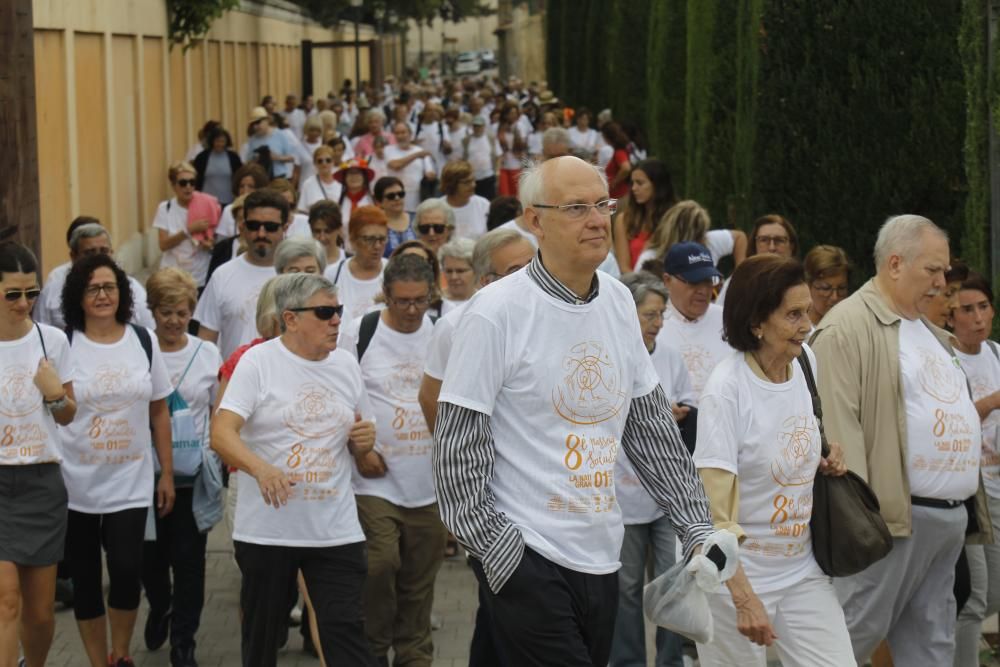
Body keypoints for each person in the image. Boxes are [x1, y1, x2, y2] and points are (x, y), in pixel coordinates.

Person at [432, 156, 717, 665]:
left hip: (600, 555)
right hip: (528, 556)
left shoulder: (615, 301)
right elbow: (456, 449)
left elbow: (649, 425)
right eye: (577, 207)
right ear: (535, 220)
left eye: (603, 204)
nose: (596, 219)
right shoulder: (495, 313)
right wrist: (502, 558)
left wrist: (696, 525)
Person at [810, 215, 991, 665]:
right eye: (932, 270)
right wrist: (863, 523)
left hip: (944, 520)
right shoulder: (846, 326)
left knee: (932, 644)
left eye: (943, 270)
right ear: (895, 263)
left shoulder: (931, 334)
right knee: (849, 641)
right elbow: (836, 430)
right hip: (890, 525)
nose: (942, 281)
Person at [691, 254, 853, 665]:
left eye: (807, 312)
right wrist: (743, 598)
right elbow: (713, 512)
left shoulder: (805, 363)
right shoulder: (726, 391)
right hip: (738, 576)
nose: (807, 325)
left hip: (803, 569)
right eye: (794, 314)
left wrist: (824, 454)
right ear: (756, 322)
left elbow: (797, 438)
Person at [211, 273, 378, 666]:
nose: (336, 320)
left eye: (337, 311)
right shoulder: (258, 361)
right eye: (324, 312)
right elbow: (221, 433)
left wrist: (363, 446)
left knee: (347, 635)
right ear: (290, 318)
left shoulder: (345, 365)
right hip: (269, 531)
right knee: (262, 639)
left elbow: (364, 453)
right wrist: (260, 468)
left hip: (334, 529)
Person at [59, 253, 175, 667]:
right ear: (78, 295)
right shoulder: (62, 343)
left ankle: (120, 654)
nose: (103, 295)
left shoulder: (143, 340)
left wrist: (165, 473)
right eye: (93, 288)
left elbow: (159, 409)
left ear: (123, 293)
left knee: (127, 570)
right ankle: (96, 660)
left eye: (110, 287)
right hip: (76, 483)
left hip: (131, 478)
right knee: (86, 579)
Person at [339, 254, 446, 667]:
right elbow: (339, 393)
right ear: (385, 295)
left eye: (420, 301)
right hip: (375, 479)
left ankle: (414, 655)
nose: (412, 310)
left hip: (429, 483)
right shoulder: (360, 333)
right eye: (402, 301)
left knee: (419, 581)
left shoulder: (442, 334)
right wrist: (360, 448)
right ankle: (371, 647)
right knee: (381, 564)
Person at [610, 273, 695, 667]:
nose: (657, 322)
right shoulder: (610, 354)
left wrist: (679, 414)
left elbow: (689, 406)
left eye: (661, 314)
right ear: (628, 313)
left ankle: (671, 661)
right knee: (625, 588)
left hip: (666, 497)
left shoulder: (671, 357)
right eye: (649, 314)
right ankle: (627, 661)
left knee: (674, 584)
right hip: (622, 494)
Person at [141, 268, 223, 667]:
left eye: (181, 312)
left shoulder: (206, 353)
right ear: (151, 311)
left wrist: (218, 457)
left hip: (193, 473)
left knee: (190, 562)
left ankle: (183, 641)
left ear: (191, 311)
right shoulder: (140, 350)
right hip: (146, 473)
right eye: (164, 312)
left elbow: (216, 408)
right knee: (149, 560)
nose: (173, 320)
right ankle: (160, 606)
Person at [0, 243, 77, 667]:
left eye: (32, 293)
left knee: (40, 612)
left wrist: (54, 397)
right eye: (13, 294)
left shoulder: (53, 340)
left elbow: (68, 415)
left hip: (42, 481)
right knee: (5, 601)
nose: (25, 303)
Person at [948, 271, 1000, 667]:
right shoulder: (946, 361)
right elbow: (950, 422)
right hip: (968, 491)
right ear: (950, 316)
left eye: (983, 306)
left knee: (992, 593)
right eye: (967, 309)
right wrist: (992, 401)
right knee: (974, 595)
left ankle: (936, 647)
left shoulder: (997, 354)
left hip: (998, 489)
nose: (978, 317)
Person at [195, 190, 287, 359]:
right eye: (253, 226)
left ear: (285, 228)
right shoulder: (222, 275)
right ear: (243, 228)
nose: (261, 234)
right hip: (232, 381)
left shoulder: (296, 277)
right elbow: (206, 342)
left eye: (270, 227)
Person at [34, 222, 156, 331]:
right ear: (73, 256)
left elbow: (149, 328)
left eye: (103, 251)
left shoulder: (132, 287)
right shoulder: (53, 287)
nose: (98, 258)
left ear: (112, 252)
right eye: (89, 253)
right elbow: (41, 333)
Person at [657, 241, 732, 395]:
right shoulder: (651, 325)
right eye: (694, 281)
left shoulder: (728, 320)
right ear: (667, 280)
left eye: (708, 281)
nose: (703, 290)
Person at [635, 200, 747, 271]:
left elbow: (739, 237)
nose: (704, 240)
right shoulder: (651, 259)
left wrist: (740, 274)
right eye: (698, 236)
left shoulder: (708, 241)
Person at [154, 162, 215, 288]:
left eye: (192, 182)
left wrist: (209, 245)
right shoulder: (165, 208)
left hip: (199, 276)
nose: (188, 187)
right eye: (183, 183)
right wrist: (189, 231)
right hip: (172, 276)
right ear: (173, 186)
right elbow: (163, 245)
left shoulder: (206, 205)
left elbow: (212, 238)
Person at [612, 159, 678, 273]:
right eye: (632, 183)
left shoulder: (675, 217)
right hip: (636, 285)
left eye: (640, 183)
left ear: (657, 184)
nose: (634, 188)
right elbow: (623, 268)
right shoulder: (624, 220)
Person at [328, 206, 389, 324]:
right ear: (353, 240)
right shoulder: (333, 273)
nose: (377, 246)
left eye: (382, 239)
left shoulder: (393, 272)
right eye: (369, 239)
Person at [386, 122, 436, 215]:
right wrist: (416, 156)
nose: (400, 136)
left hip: (416, 201)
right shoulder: (388, 150)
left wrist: (430, 175)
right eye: (397, 133)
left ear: (410, 134)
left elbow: (430, 173)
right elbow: (396, 165)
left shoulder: (419, 150)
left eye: (403, 132)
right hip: (395, 200)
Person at [439, 160, 490, 241]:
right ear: (452, 184)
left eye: (473, 180)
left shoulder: (483, 205)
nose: (473, 185)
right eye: (467, 182)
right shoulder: (437, 208)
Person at [192, 126, 242, 206]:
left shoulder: (233, 157)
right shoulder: (202, 157)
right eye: (217, 141)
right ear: (212, 141)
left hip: (228, 201)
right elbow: (195, 177)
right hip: (206, 201)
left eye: (222, 141)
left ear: (227, 142)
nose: (220, 144)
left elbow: (239, 176)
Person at [217, 163, 269, 239]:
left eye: (251, 186)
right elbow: (221, 241)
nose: (245, 191)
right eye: (241, 186)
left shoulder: (269, 210)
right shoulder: (229, 210)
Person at [242, 107, 297, 180]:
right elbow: (248, 162)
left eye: (258, 123)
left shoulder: (280, 134)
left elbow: (292, 157)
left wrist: (277, 157)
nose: (255, 126)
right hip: (260, 179)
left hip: (278, 178)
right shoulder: (252, 140)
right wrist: (258, 159)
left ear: (267, 120)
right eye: (253, 124)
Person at [803, 245, 850, 328]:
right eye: (826, 288)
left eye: (841, 288)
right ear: (807, 285)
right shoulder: (795, 332)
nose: (834, 297)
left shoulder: (852, 326)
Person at [373, 176, 416, 256]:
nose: (397, 198)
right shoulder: (374, 225)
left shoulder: (417, 219)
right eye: (391, 196)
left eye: (401, 194)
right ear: (379, 202)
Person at [462, 115, 501, 201]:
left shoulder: (491, 138)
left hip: (488, 175)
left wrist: (497, 172)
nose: (477, 128)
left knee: (489, 200)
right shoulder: (466, 140)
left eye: (479, 126)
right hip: (472, 177)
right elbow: (463, 157)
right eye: (475, 126)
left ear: (484, 126)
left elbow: (498, 156)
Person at [297, 146, 343, 214]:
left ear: (333, 162)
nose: (324, 163)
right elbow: (302, 210)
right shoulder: (308, 184)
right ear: (315, 163)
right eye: (320, 161)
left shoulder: (341, 184)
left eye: (328, 160)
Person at [333, 158, 376, 231]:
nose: (354, 176)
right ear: (344, 178)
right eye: (350, 173)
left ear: (364, 177)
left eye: (358, 173)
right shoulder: (336, 202)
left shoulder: (374, 201)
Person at [437, 238, 476, 314]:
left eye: (460, 271)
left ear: (476, 270)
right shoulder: (433, 304)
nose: (453, 277)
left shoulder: (484, 300)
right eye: (448, 271)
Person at [495, 101, 526, 196]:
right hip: (503, 165)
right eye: (510, 113)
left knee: (516, 193)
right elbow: (495, 144)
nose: (513, 115)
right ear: (505, 114)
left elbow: (523, 145)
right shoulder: (498, 127)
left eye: (514, 113)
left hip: (516, 164)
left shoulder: (520, 126)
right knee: (504, 194)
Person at [307, 200, 347, 268]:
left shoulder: (349, 261)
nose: (322, 238)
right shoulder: (303, 261)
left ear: (339, 230)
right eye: (317, 231)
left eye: (328, 231)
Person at [600, 122, 632, 200]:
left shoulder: (619, 152)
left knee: (613, 212)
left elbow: (626, 168)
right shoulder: (619, 150)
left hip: (619, 195)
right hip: (616, 195)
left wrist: (614, 182)